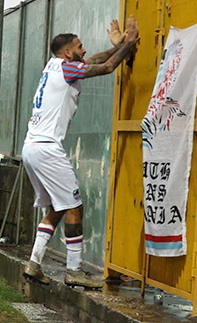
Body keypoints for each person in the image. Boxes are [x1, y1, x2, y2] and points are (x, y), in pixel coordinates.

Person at [22, 16, 139, 288]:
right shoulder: (67, 68)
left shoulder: (54, 65)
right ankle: (74, 271)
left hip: (32, 147)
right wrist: (130, 43)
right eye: (79, 46)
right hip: (47, 149)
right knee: (75, 206)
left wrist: (118, 46)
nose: (84, 50)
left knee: (58, 207)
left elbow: (96, 59)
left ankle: (34, 264)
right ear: (67, 53)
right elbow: (107, 67)